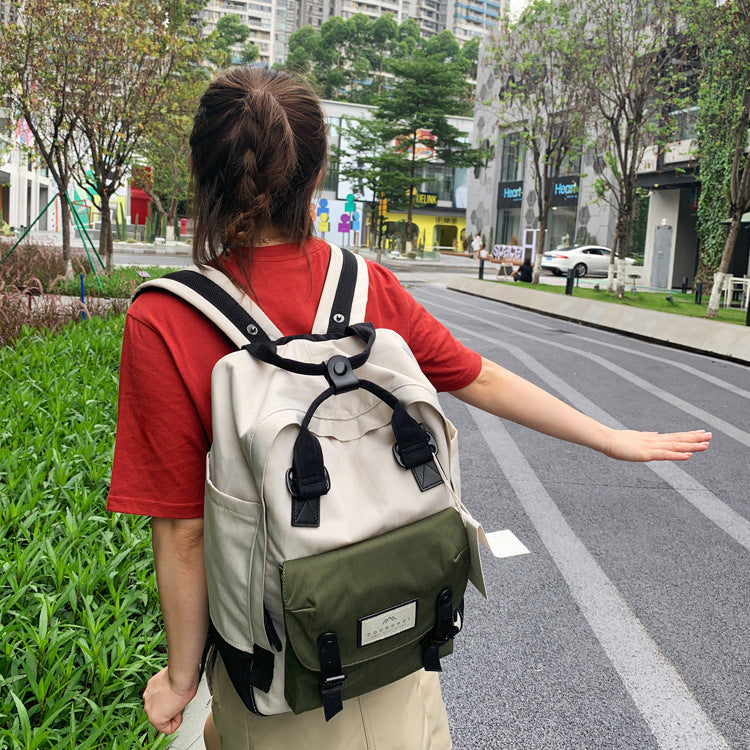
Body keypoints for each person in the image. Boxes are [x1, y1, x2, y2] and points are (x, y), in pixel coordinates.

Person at [106, 66, 712, 750]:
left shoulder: (165, 318)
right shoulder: (364, 285)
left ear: (198, 167)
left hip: (278, 673)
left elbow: (184, 536)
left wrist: (181, 679)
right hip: (392, 643)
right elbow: (477, 376)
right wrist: (607, 436)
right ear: (315, 173)